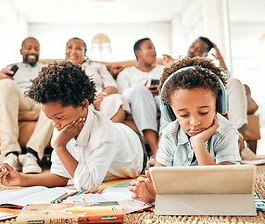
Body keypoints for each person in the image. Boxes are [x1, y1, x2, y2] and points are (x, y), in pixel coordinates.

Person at [0, 61, 147, 191]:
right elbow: (60, 177)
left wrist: (60, 147)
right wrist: (21, 179)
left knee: (92, 165)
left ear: (83, 105)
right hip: (118, 138)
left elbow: (88, 185)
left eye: (59, 117)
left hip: (136, 151)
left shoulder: (104, 135)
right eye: (50, 118)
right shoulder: (61, 126)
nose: (55, 125)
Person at [128, 57, 241, 203]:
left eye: (203, 112)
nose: (194, 122)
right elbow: (159, 179)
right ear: (170, 111)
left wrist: (198, 144)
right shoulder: (170, 134)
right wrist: (151, 192)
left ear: (218, 104)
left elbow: (219, 187)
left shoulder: (227, 133)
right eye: (184, 115)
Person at [0, 37, 53, 174]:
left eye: (36, 49)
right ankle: (11, 154)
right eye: (28, 48)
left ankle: (32, 155)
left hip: (40, 100)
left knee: (54, 94)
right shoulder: (11, 68)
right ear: (21, 51)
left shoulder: (46, 68)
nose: (32, 51)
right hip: (20, 99)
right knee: (5, 83)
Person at [116, 38, 169, 164]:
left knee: (168, 94)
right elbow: (122, 95)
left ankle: (156, 154)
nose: (154, 52)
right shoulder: (126, 73)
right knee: (141, 91)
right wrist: (143, 89)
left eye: (154, 48)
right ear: (138, 53)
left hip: (160, 100)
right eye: (149, 48)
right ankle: (156, 151)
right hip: (140, 102)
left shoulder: (163, 69)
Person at [64, 37, 130, 123]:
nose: (73, 51)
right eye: (70, 47)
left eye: (78, 48)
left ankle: (110, 134)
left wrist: (101, 96)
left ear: (85, 53)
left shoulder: (97, 67)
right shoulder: (59, 69)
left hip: (99, 100)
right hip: (76, 102)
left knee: (117, 99)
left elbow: (112, 86)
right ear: (65, 50)